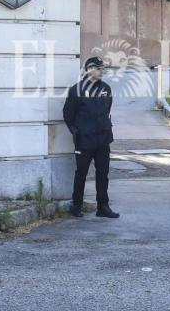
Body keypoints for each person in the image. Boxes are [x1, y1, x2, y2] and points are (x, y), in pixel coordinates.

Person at [62, 56, 120, 218]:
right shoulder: (76, 90)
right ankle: (77, 205)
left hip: (103, 139)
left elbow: (107, 110)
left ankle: (103, 207)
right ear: (89, 69)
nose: (102, 71)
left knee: (103, 174)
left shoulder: (106, 89)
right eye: (98, 68)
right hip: (84, 140)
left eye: (102, 68)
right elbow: (68, 114)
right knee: (81, 173)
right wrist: (76, 131)